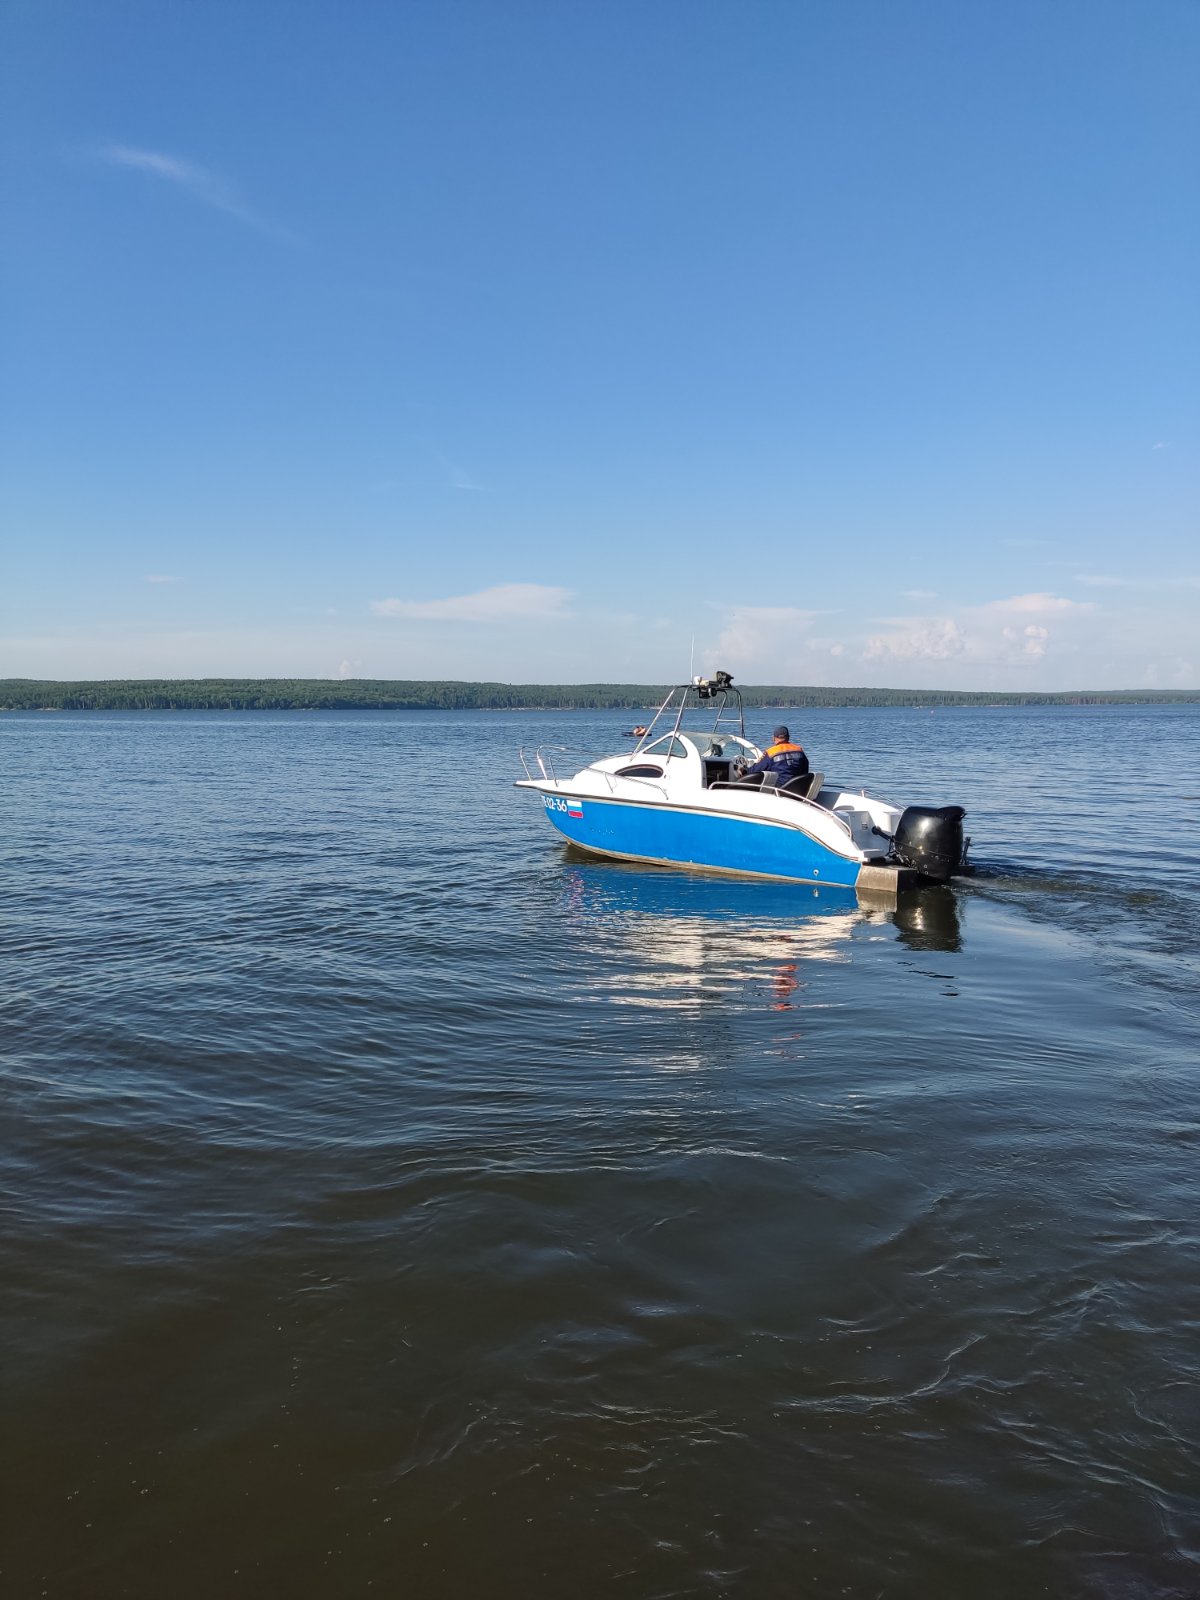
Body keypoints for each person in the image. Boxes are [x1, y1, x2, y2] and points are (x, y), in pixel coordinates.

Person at [743, 724, 810, 784]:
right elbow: (805, 769)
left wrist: (744, 770)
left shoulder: (771, 752)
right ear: (788, 737)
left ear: (774, 738)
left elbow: (756, 770)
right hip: (799, 787)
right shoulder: (799, 750)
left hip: (781, 789)